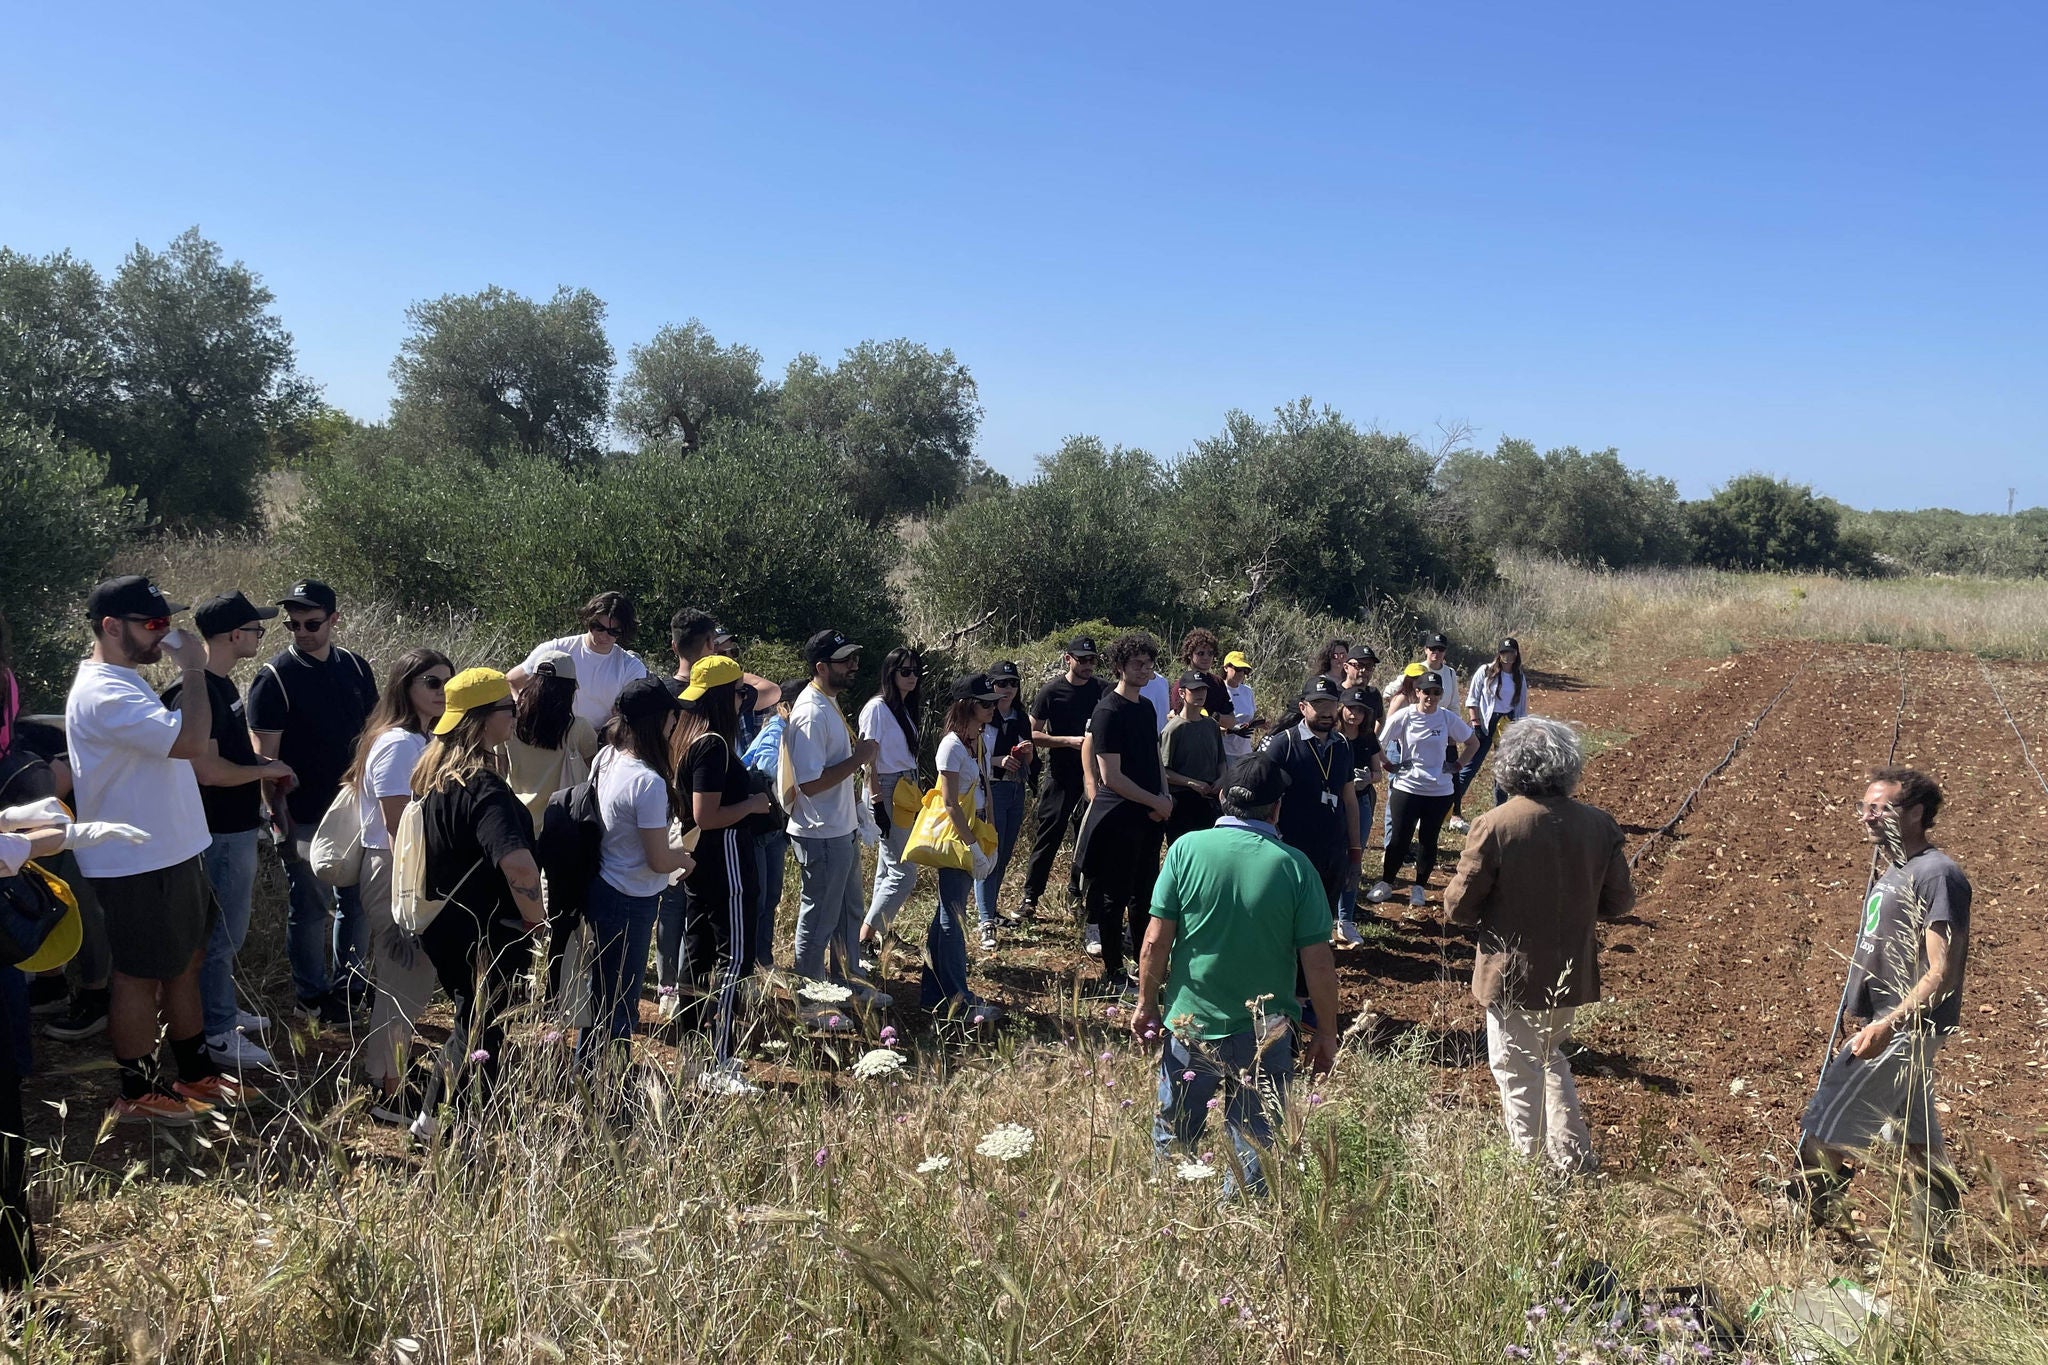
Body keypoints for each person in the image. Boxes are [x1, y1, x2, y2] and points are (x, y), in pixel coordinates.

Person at [66, 575, 248, 1123]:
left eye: (166, 622)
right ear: (110, 626)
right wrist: (192, 668)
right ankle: (138, 1090)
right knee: (139, 976)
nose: (162, 634)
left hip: (172, 851)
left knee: (184, 965)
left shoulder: (124, 680)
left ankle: (194, 1076)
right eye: (152, 624)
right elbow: (190, 743)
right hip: (135, 861)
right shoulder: (104, 692)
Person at [1131, 753, 1340, 1197]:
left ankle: (1169, 1218)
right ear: (1277, 808)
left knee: (1176, 1132)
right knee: (1255, 1142)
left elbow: (1154, 942)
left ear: (1223, 798)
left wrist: (1146, 1004)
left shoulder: (1186, 849)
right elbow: (1318, 963)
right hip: (1265, 1029)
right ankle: (1243, 1232)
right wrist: (1327, 1030)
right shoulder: (1295, 865)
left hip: (1192, 1024)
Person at [1444, 718, 1632, 1177]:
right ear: (1567, 767)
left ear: (1510, 767)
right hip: (1569, 971)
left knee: (1514, 1070)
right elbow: (1621, 902)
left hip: (1511, 974)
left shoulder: (1496, 825)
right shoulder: (1598, 824)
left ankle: (1528, 1175)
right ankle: (1573, 1159)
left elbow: (1459, 908)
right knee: (1550, 1058)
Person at [1796, 767, 1970, 1256]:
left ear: (1915, 813)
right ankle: (1930, 1252)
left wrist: (1886, 1023)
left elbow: (1942, 970)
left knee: (1823, 1127)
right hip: (1897, 1025)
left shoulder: (1937, 874)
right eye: (1865, 807)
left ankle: (1809, 1241)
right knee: (1918, 1143)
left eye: (1881, 807)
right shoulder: (1898, 869)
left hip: (1900, 1028)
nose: (1869, 817)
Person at [406, 668, 548, 1141]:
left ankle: (435, 1116)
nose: (515, 715)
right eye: (508, 708)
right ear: (484, 719)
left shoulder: (433, 776)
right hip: (486, 927)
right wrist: (536, 921)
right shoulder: (484, 789)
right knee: (482, 1027)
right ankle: (456, 1126)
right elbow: (520, 867)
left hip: (441, 923)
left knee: (471, 1015)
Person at [161, 593, 294, 1071]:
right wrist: (267, 769)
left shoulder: (220, 686)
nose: (261, 635)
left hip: (234, 828)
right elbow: (209, 772)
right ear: (233, 635)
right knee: (219, 936)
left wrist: (263, 766)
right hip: (215, 831)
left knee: (227, 932)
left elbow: (232, 757)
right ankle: (216, 1031)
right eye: (255, 629)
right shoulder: (192, 692)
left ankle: (220, 1009)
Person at [247, 578, 380, 1026]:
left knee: (357, 903)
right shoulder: (274, 679)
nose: (301, 631)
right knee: (308, 908)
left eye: (311, 622)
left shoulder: (357, 668)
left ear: (334, 620)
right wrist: (278, 819)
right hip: (302, 816)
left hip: (356, 810)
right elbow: (266, 758)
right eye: (293, 623)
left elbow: (375, 735)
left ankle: (351, 987)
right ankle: (311, 993)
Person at [342, 648, 454, 1125]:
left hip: (407, 868)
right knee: (400, 982)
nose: (441, 691)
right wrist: (418, 886)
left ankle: (390, 1074)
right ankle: (389, 1090)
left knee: (408, 981)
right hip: (396, 869)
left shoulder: (421, 737)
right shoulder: (399, 743)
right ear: (405, 686)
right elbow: (395, 825)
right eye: (431, 682)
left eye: (447, 682)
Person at [580, 678, 692, 1077]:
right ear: (662, 721)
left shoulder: (607, 757)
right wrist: (685, 859)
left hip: (606, 882)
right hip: (632, 896)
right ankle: (609, 1079)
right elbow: (660, 859)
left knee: (603, 989)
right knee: (621, 997)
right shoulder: (648, 781)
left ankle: (591, 1067)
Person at [670, 658, 771, 1094]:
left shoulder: (686, 737)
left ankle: (693, 1055)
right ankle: (720, 1057)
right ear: (723, 697)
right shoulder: (712, 745)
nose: (743, 701)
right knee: (735, 957)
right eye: (739, 694)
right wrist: (751, 805)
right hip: (725, 855)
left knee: (699, 952)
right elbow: (706, 815)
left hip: (700, 862)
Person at [783, 629, 885, 1015]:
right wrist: (860, 758)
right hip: (820, 834)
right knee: (819, 918)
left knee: (848, 914)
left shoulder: (826, 702)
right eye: (844, 660)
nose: (853, 666)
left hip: (840, 830)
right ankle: (810, 1001)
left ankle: (847, 984)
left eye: (854, 659)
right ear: (821, 667)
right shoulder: (810, 711)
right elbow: (808, 782)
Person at [1073, 633, 1172, 989]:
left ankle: (1144, 969)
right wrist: (1154, 801)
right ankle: (1113, 972)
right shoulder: (1107, 711)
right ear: (1119, 667)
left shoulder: (1146, 707)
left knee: (1145, 895)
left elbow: (1154, 758)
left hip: (1149, 816)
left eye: (1148, 664)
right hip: (1118, 818)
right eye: (1136, 664)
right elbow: (1110, 776)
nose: (1144, 670)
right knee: (1113, 896)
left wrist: (1164, 797)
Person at [923, 675, 1004, 1023]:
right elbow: (950, 803)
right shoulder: (952, 746)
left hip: (975, 830)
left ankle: (934, 995)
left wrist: (991, 837)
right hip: (958, 838)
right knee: (953, 917)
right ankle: (958, 998)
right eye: (985, 703)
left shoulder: (979, 740)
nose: (992, 707)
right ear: (966, 705)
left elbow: (985, 788)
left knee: (946, 912)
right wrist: (972, 846)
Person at [1260, 676, 1362, 920]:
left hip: (1333, 853)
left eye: (1331, 704)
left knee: (1322, 921)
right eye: (1319, 705)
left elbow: (1349, 800)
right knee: (1289, 921)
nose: (1327, 712)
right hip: (1292, 852)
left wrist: (1355, 854)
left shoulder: (1343, 746)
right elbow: (1264, 800)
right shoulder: (1282, 745)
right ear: (1303, 707)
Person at [1371, 671, 1474, 909]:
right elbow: (1378, 743)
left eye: (1436, 692)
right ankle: (1386, 883)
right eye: (1426, 691)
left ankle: (1419, 888)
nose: (1431, 697)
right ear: (1417, 692)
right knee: (1399, 838)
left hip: (1439, 791)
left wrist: (1457, 765)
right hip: (1407, 787)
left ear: (1441, 694)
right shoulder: (1404, 716)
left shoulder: (1447, 718)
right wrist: (1389, 765)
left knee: (1429, 840)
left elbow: (1473, 743)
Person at [1022, 638, 1105, 920]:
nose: (1087, 665)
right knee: (1049, 834)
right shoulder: (1051, 691)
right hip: (1060, 776)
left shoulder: (1102, 690)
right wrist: (1068, 741)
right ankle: (1030, 897)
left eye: (1091, 660)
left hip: (1094, 776)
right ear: (1067, 659)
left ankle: (1077, 893)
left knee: (1089, 837)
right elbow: (1032, 734)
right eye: (1081, 660)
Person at [858, 647, 926, 957]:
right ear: (891, 673)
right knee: (904, 873)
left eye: (915, 671)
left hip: (904, 786)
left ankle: (874, 939)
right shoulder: (877, 708)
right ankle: (864, 937)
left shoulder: (903, 707)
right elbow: (868, 760)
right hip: (886, 788)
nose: (912, 677)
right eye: (905, 671)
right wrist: (876, 799)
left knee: (888, 869)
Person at [507, 590, 650, 734]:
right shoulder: (555, 650)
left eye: (613, 632)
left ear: (623, 632)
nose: (604, 635)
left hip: (601, 743)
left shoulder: (631, 667)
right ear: (589, 620)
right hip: (551, 738)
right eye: (598, 627)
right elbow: (511, 681)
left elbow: (636, 715)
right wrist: (521, 712)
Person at [740, 679, 803, 969]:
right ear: (785, 707)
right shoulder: (777, 730)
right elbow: (765, 770)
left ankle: (763, 959)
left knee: (771, 895)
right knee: (760, 897)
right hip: (760, 825)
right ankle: (752, 961)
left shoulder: (790, 730)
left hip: (773, 826)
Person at [500, 649, 599, 833]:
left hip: (518, 821)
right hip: (560, 825)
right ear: (570, 689)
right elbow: (598, 775)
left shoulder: (508, 724)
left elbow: (500, 772)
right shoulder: (577, 728)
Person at [975, 661, 1033, 950]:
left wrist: (1026, 755)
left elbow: (1031, 761)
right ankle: (984, 919)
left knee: (1005, 853)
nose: (1007, 689)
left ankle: (991, 910)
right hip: (992, 788)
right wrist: (998, 761)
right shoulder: (984, 717)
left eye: (1012, 683)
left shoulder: (1021, 717)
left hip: (1015, 788)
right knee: (989, 852)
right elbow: (976, 756)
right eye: (1001, 684)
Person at [1451, 638, 1530, 833]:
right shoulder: (1486, 671)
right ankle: (1452, 809)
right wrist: (1475, 722)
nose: (1508, 657)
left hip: (1508, 724)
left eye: (1511, 653)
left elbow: (1521, 706)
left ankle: (1500, 810)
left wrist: (1520, 730)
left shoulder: (1519, 676)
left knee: (1503, 769)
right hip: (1486, 723)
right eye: (1504, 653)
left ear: (1517, 654)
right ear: (1499, 654)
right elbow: (1473, 698)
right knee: (1470, 766)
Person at [1330, 686, 1385, 945]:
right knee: (1329, 858)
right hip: (1331, 803)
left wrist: (1368, 779)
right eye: (1350, 708)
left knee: (1354, 857)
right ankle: (1326, 920)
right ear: (1341, 708)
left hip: (1360, 803)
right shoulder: (1331, 735)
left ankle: (1346, 920)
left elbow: (1379, 773)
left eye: (1360, 711)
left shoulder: (1367, 738)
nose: (1354, 714)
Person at [1160, 673, 1224, 843]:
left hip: (1209, 800)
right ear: (1182, 693)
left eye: (1203, 689)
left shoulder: (1211, 725)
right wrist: (1191, 783)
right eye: (1195, 690)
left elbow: (1221, 762)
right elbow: (1164, 771)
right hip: (1183, 802)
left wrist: (1222, 779)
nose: (1200, 694)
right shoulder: (1172, 729)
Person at [1168, 628, 1233, 725]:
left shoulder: (1218, 683)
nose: (1206, 657)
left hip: (1215, 738)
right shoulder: (1181, 685)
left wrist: (1214, 716)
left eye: (1210, 653)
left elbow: (1231, 721)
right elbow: (1176, 720)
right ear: (1189, 655)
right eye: (1200, 653)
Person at [1218, 651, 1260, 760]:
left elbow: (1249, 719)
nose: (1241, 673)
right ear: (1226, 668)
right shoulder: (1218, 690)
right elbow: (1211, 722)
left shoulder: (1248, 691)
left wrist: (1257, 724)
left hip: (1245, 751)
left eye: (1244, 670)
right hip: (1224, 752)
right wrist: (1231, 730)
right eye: (1237, 669)